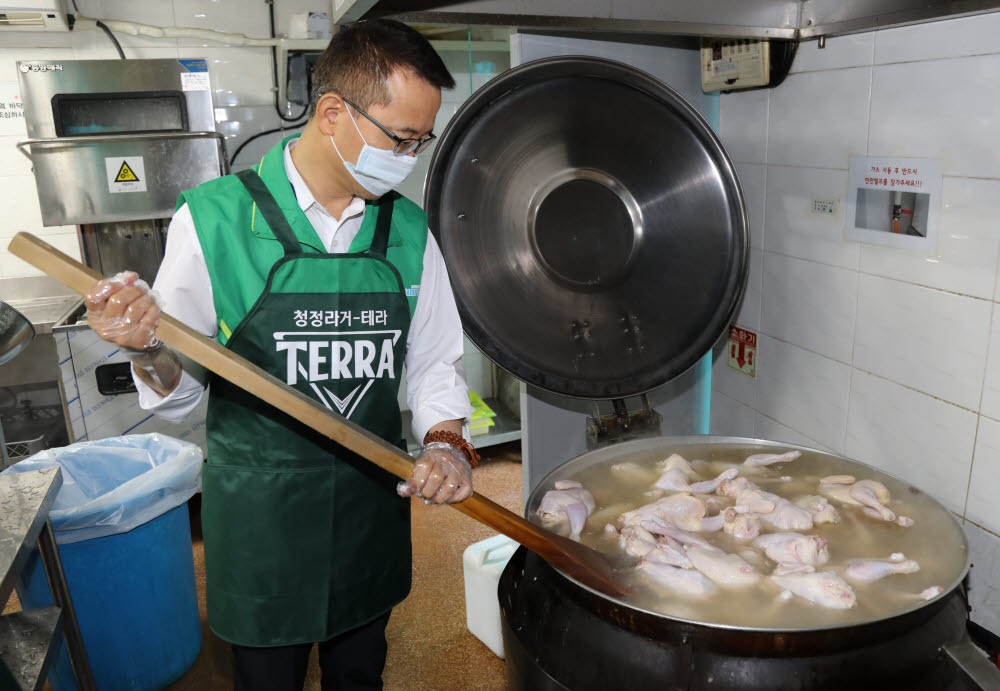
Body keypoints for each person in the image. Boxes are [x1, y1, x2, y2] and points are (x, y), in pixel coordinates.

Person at [83, 19, 478, 691]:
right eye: (402, 139)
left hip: (367, 516)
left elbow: (435, 360)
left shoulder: (408, 230)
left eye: (422, 140)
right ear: (332, 114)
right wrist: (148, 348)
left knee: (360, 674)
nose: (411, 158)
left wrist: (445, 440)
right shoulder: (214, 221)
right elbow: (180, 392)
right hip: (262, 527)